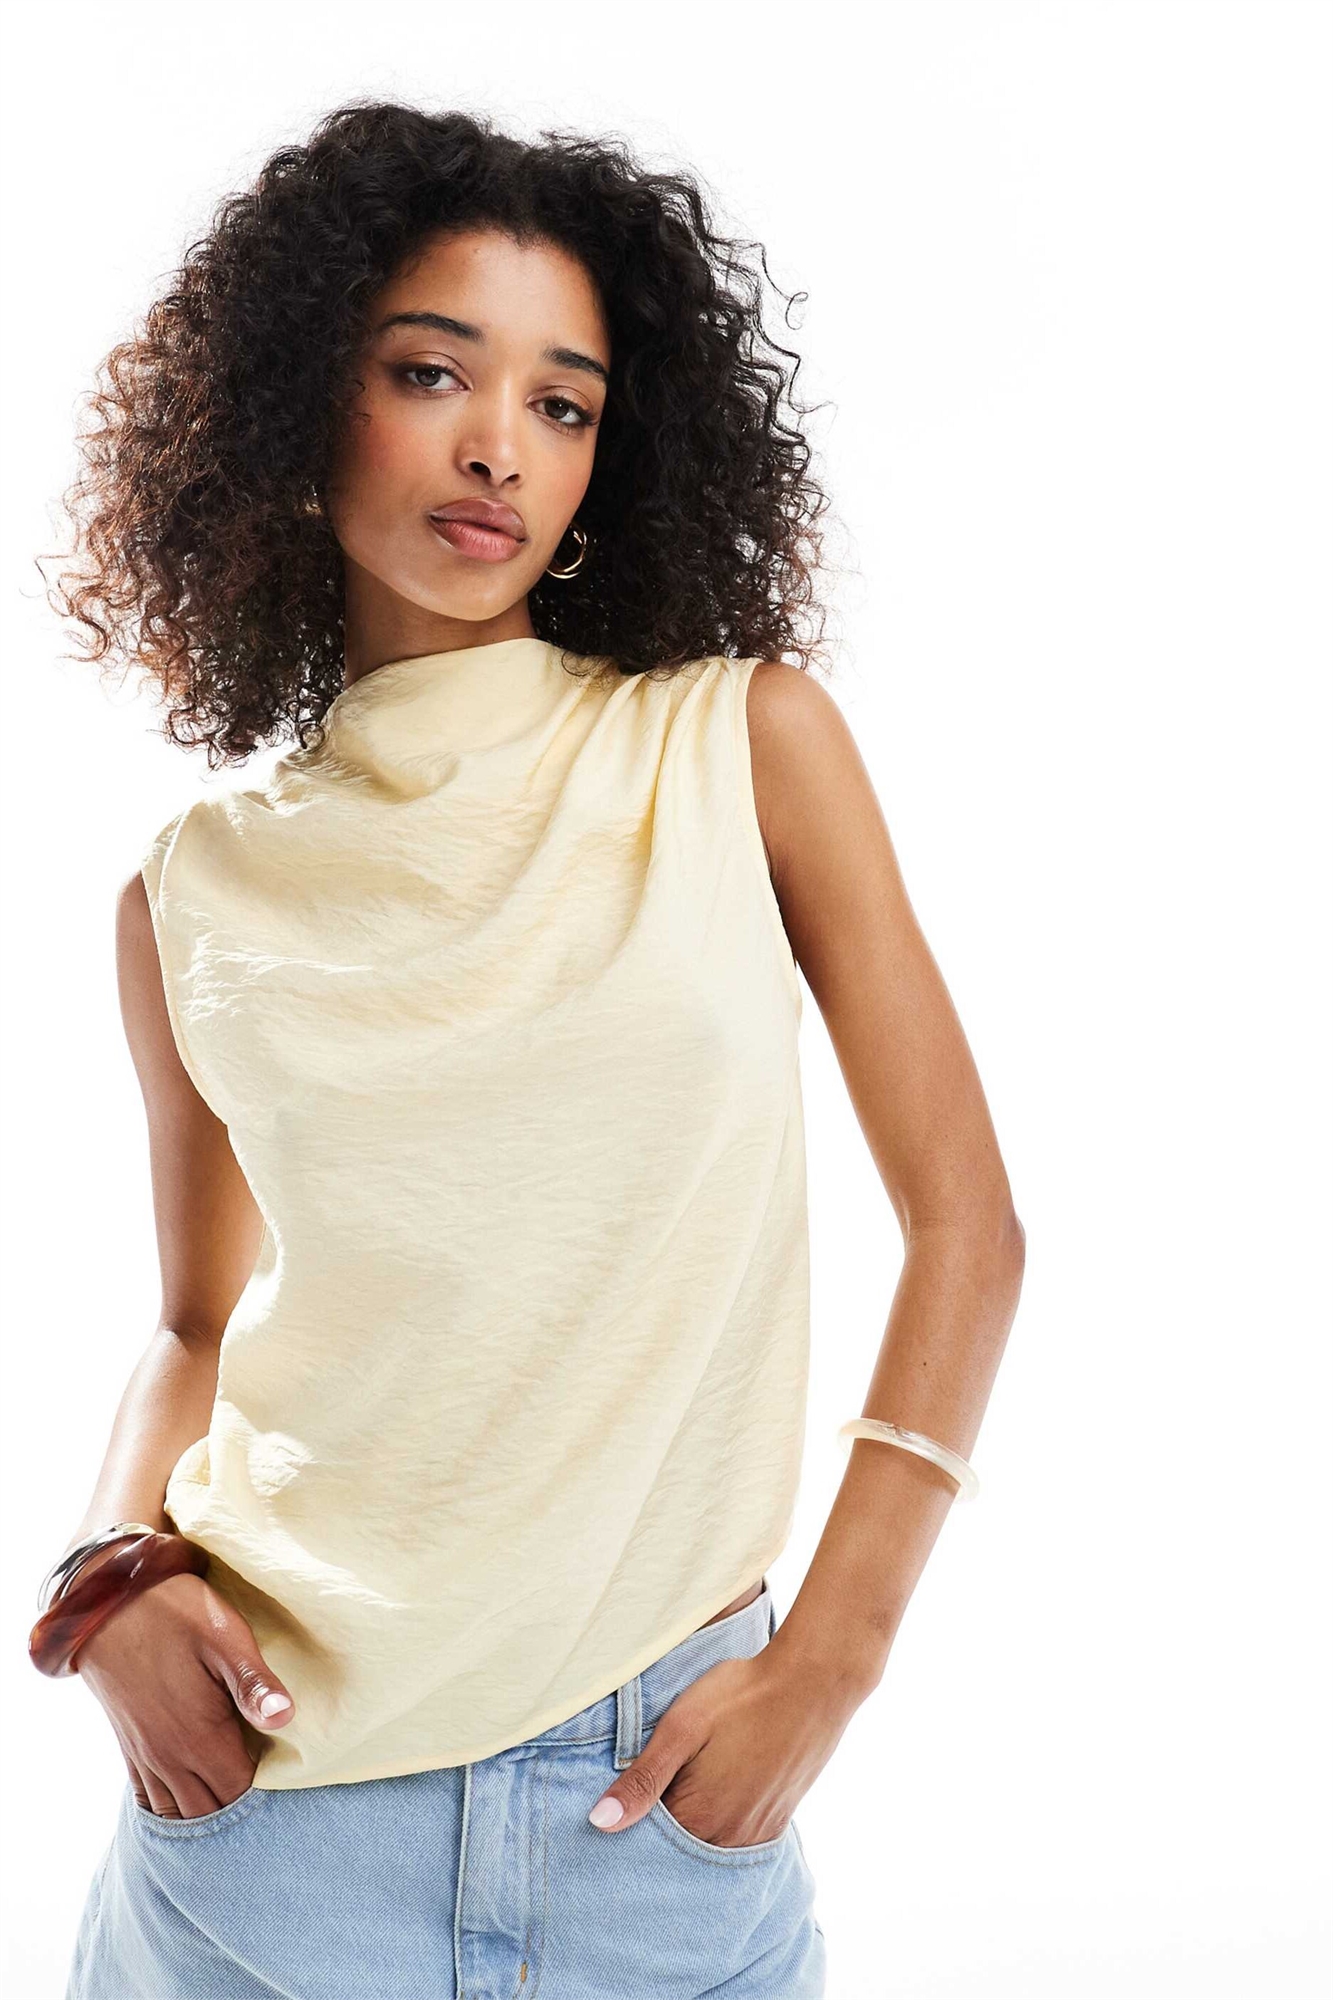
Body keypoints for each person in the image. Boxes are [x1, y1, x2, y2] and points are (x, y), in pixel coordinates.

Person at [35, 102, 1025, 2000]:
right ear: (295, 403)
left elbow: (965, 1224)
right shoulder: (188, 897)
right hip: (263, 1822)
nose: (498, 444)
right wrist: (109, 1582)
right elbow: (194, 1325)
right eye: (431, 373)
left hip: (654, 1815)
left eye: (561, 404)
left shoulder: (737, 749)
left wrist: (832, 1659)